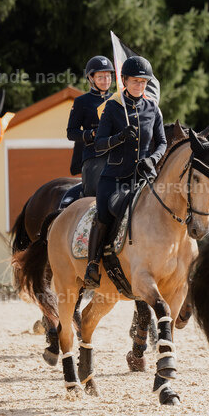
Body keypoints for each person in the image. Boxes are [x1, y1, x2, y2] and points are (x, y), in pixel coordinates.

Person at [84, 56, 166, 290]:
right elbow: (99, 144)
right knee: (103, 214)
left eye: (143, 82)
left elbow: (161, 143)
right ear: (125, 82)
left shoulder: (153, 108)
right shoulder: (113, 107)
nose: (139, 85)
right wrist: (118, 138)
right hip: (115, 177)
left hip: (143, 178)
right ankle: (92, 264)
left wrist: (152, 159)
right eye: (135, 81)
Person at [66, 55, 114, 197]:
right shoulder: (82, 102)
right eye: (101, 77)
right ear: (91, 78)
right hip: (94, 155)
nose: (106, 80)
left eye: (108, 76)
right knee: (95, 193)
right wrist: (90, 134)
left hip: (117, 154)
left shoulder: (118, 99)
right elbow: (71, 132)